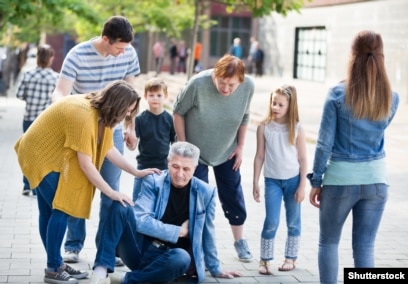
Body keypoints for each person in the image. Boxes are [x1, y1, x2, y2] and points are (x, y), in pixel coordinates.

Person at [14, 80, 158, 284]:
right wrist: (111, 192)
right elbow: (86, 164)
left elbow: (108, 149)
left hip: (48, 153)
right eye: (127, 109)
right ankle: (53, 269)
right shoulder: (85, 115)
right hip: (37, 155)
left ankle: (55, 264)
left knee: (50, 210)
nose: (127, 114)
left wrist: (136, 172)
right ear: (116, 104)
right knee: (62, 207)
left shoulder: (102, 115)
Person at [308, 30, 400, 284]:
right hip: (377, 181)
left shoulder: (337, 94)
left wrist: (316, 180)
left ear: (352, 56)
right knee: (365, 248)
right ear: (382, 57)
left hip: (340, 180)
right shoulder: (391, 97)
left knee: (328, 242)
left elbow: (324, 143)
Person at [52, 15, 140, 265]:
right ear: (105, 39)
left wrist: (130, 127)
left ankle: (108, 249)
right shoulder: (78, 55)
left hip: (112, 129)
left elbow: (131, 95)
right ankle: (73, 245)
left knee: (111, 192)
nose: (123, 54)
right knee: (78, 187)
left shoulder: (129, 53)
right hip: (83, 129)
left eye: (126, 48)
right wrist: (64, 113)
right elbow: (60, 91)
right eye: (119, 48)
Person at [90, 141, 243, 284]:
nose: (180, 173)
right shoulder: (154, 181)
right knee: (120, 205)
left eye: (186, 169)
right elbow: (141, 220)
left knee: (183, 257)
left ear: (195, 168)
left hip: (168, 259)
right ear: (168, 162)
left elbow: (207, 232)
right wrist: (180, 231)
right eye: (175, 166)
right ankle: (101, 270)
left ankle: (126, 279)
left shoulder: (206, 192)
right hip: (139, 249)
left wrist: (216, 269)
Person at [173, 54, 255, 262]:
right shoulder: (198, 83)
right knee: (199, 201)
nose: (226, 88)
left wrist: (241, 147)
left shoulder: (248, 87)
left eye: (231, 85)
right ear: (214, 75)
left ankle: (239, 241)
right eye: (221, 82)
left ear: (241, 81)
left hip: (228, 150)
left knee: (233, 195)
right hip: (195, 154)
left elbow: (245, 116)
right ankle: (199, 248)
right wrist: (185, 148)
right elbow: (177, 111)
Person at [253, 85, 307, 275]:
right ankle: (265, 260)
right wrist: (255, 181)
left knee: (293, 222)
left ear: (290, 106)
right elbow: (259, 156)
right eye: (273, 103)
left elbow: (302, 159)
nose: (275, 107)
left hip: (293, 181)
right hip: (272, 181)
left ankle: (290, 258)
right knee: (271, 221)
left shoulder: (297, 128)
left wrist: (302, 185)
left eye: (280, 105)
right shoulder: (264, 126)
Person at [15, 44, 59, 196]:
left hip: (28, 118)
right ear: (51, 58)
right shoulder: (55, 77)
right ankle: (38, 185)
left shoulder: (28, 75)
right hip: (46, 122)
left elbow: (19, 95)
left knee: (28, 151)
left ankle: (27, 184)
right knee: (43, 152)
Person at [132, 78, 176, 201]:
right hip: (143, 165)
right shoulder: (140, 119)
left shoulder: (169, 118)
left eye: (159, 95)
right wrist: (130, 139)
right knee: (138, 199)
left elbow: (174, 142)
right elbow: (133, 144)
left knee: (161, 199)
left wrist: (173, 160)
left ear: (165, 97)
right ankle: (136, 220)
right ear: (145, 96)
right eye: (151, 95)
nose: (155, 98)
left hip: (163, 166)